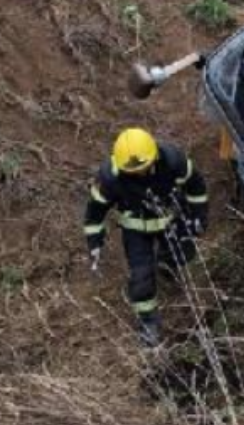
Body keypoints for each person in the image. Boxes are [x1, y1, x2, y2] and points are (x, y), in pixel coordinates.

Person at [83, 128, 209, 346]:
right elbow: (95, 211)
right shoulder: (111, 178)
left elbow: (196, 185)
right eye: (133, 171)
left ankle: (166, 267)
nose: (140, 174)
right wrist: (95, 241)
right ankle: (148, 321)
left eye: (143, 168)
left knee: (183, 254)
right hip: (136, 231)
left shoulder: (173, 162)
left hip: (170, 221)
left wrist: (198, 216)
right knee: (141, 277)